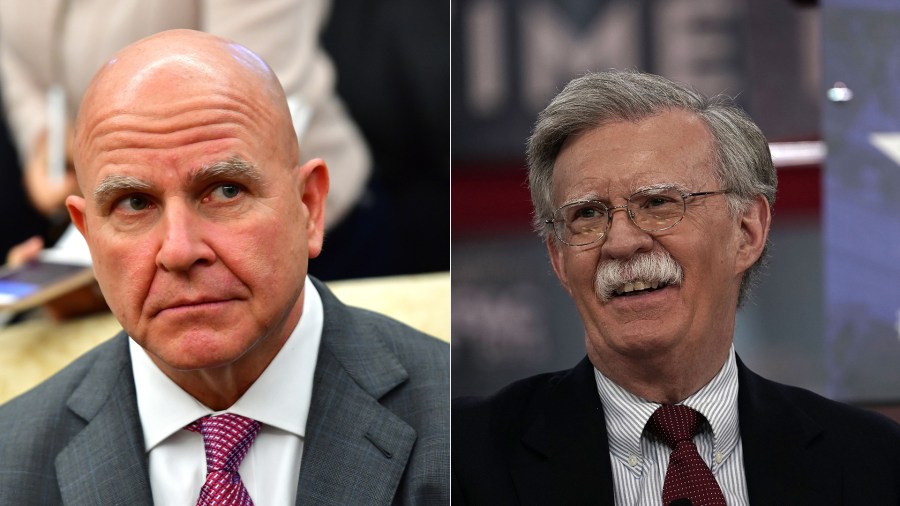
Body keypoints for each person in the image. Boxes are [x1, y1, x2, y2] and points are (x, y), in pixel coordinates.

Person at [0, 29, 448, 505]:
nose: (178, 249)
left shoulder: (453, 427)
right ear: (87, 236)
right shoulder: (12, 462)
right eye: (134, 202)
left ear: (309, 207)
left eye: (225, 190)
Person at [452, 70, 900, 505]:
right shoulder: (460, 459)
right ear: (558, 259)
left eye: (659, 204)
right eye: (587, 215)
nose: (623, 242)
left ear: (746, 232)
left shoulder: (875, 461)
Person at [0, 0, 370, 267]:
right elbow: (19, 70)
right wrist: (45, 144)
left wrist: (105, 256)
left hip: (297, 234)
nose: (177, 253)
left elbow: (248, 105)